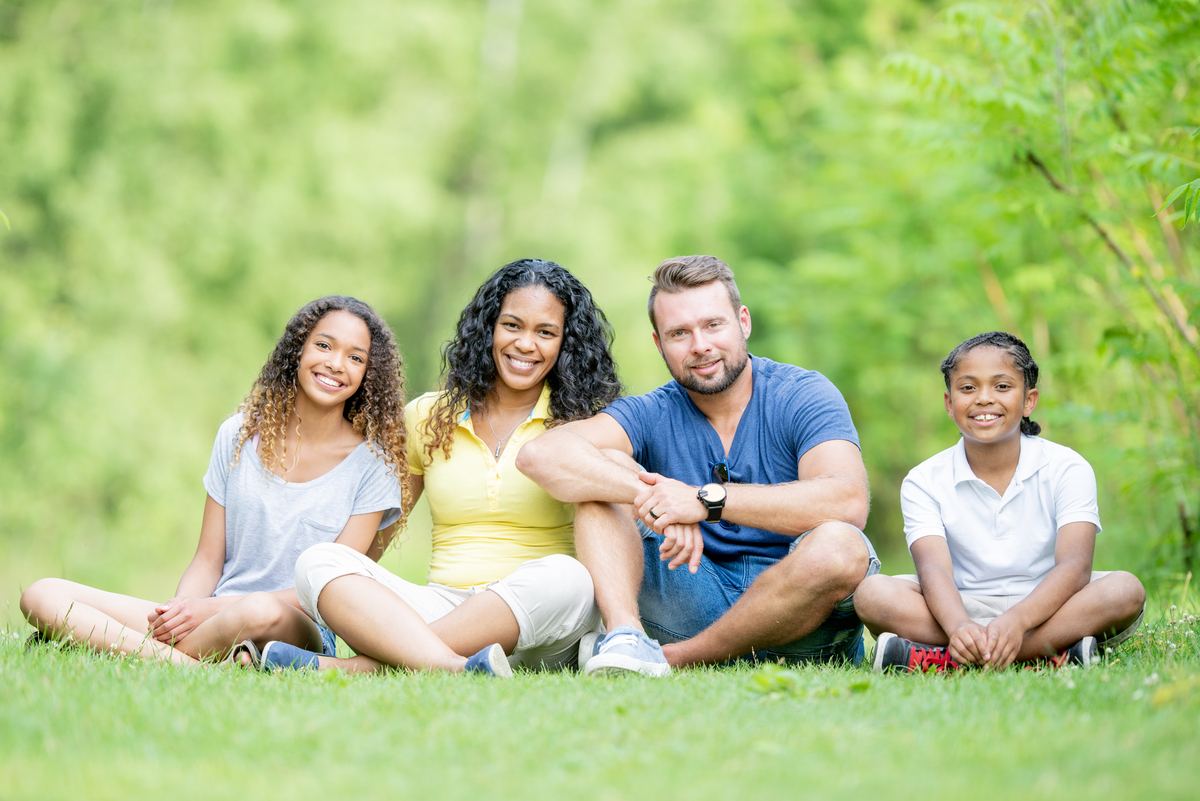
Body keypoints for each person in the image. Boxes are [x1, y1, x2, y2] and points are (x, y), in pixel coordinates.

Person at [516, 255, 878, 675]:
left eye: (713, 325)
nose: (700, 345)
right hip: (693, 598)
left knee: (840, 545)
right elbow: (541, 455)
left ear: (743, 322)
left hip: (803, 624)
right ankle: (627, 637)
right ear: (659, 344)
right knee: (603, 474)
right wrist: (656, 498)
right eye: (679, 333)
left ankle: (679, 658)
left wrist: (704, 501)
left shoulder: (803, 393)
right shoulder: (651, 411)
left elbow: (848, 501)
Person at [263, 258, 618, 677]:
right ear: (488, 329)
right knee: (320, 561)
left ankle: (368, 666)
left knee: (569, 577)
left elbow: (610, 539)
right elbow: (373, 543)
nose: (525, 344)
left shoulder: (585, 425)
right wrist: (328, 586)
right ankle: (454, 664)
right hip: (441, 606)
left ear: (566, 343)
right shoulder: (428, 417)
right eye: (512, 325)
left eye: (545, 332)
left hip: (541, 621)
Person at [20, 296, 409, 667]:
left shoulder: (374, 466)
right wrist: (179, 613)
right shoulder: (238, 435)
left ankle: (117, 647)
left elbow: (327, 590)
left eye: (355, 357)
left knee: (259, 609)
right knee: (43, 594)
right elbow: (208, 560)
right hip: (210, 615)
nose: (336, 363)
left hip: (296, 626)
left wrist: (209, 610)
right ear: (298, 351)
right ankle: (190, 663)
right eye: (324, 345)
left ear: (368, 374)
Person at [854, 331, 1146, 672]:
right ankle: (1049, 655)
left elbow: (1075, 567)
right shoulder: (924, 479)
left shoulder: (1067, 467)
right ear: (949, 403)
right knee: (872, 594)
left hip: (1049, 606)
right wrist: (958, 626)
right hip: (958, 606)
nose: (984, 398)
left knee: (1125, 590)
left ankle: (949, 659)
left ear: (1029, 401)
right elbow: (934, 570)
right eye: (968, 388)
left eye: (1002, 386)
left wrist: (1018, 620)